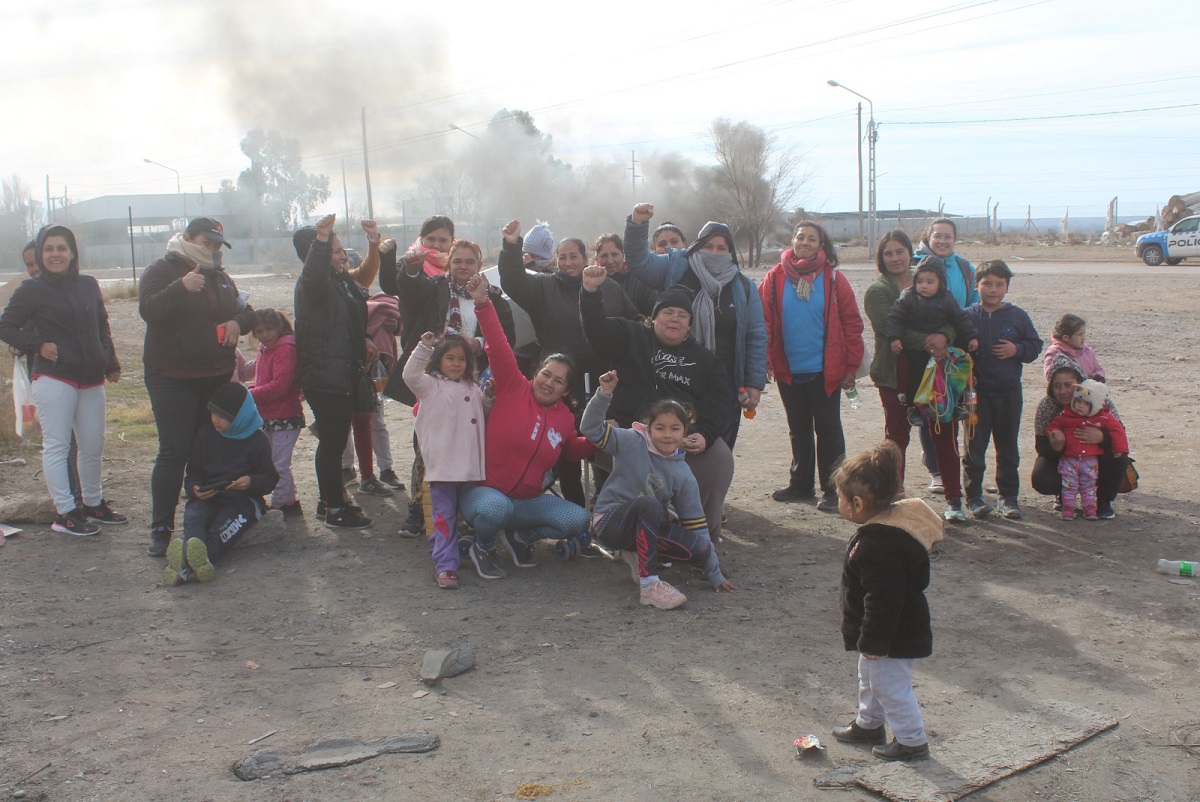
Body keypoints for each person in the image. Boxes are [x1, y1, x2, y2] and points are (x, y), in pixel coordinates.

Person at [458, 271, 595, 578]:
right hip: (483, 493)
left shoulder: (564, 417)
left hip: (524, 504)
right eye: (547, 374)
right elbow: (497, 341)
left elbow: (573, 451)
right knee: (495, 509)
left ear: (565, 390)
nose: (549, 383)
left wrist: (601, 435)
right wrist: (482, 301)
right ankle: (484, 545)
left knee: (577, 520)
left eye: (559, 381)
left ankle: (520, 538)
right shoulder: (512, 385)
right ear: (537, 371)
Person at [581, 273, 733, 543]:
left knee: (719, 456)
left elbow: (721, 401)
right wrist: (591, 292)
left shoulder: (705, 360)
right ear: (654, 317)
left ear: (689, 325)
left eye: (682, 315)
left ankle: (703, 537)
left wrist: (706, 433)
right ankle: (642, 534)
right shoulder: (631, 335)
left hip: (678, 437)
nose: (674, 318)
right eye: (667, 312)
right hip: (632, 434)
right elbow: (597, 330)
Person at [380, 235, 516, 537]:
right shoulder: (435, 287)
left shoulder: (492, 296)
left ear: (480, 265)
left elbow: (508, 337)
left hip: (475, 381)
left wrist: (478, 343)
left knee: (471, 443)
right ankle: (419, 509)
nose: (463, 267)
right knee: (427, 443)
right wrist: (412, 270)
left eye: (470, 262)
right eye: (457, 261)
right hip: (435, 380)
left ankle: (463, 510)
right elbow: (409, 289)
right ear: (448, 263)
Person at [498, 220, 637, 508]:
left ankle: (606, 501)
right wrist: (511, 246)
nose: (569, 262)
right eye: (562, 257)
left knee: (602, 438)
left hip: (602, 376)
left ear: (586, 260)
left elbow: (631, 322)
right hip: (560, 380)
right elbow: (512, 280)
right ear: (555, 261)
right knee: (565, 442)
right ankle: (573, 506)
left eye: (574, 256)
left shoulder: (608, 287)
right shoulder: (543, 286)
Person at [139, 216, 255, 555]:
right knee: (175, 450)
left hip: (215, 375)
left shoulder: (220, 277)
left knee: (209, 450)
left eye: (218, 245)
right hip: (171, 377)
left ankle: (207, 517)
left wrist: (237, 320)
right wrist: (180, 287)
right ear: (187, 238)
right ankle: (161, 526)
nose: (214, 250)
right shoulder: (161, 270)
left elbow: (247, 313)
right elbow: (148, 309)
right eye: (208, 243)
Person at [0, 224, 124, 536]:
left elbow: (101, 325)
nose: (56, 254)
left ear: (72, 253)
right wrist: (36, 344)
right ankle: (66, 513)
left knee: (93, 444)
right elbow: (6, 325)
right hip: (54, 377)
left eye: (62, 248)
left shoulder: (88, 284)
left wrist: (110, 362)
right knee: (57, 444)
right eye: (49, 249)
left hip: (91, 378)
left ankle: (93, 504)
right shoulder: (31, 290)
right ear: (40, 255)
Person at [582, 371, 736, 610]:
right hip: (610, 521)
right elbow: (590, 429)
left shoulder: (683, 474)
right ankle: (650, 585)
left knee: (699, 548)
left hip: (645, 526)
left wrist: (715, 574)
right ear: (648, 427)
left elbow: (697, 526)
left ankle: (636, 555)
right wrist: (604, 393)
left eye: (674, 429)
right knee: (650, 504)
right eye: (660, 428)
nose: (666, 435)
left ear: (684, 431)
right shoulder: (631, 440)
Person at [831, 441, 942, 762]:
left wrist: (875, 641)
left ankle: (911, 741)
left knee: (890, 687)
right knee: (870, 678)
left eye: (840, 498)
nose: (839, 503)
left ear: (857, 503)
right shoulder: (886, 530)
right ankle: (869, 724)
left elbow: (883, 600)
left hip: (892, 637)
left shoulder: (878, 545)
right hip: (887, 634)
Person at [624, 203, 767, 449]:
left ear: (731, 252)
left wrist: (754, 384)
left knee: (716, 443)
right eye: (708, 246)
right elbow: (639, 263)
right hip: (675, 373)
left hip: (725, 380)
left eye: (722, 248)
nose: (714, 252)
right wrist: (638, 224)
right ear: (697, 246)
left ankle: (708, 488)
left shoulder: (743, 286)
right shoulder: (676, 266)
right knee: (671, 443)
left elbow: (755, 336)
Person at [761, 220, 863, 510]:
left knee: (829, 428)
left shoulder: (833, 278)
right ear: (792, 241)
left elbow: (852, 323)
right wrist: (765, 358)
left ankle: (834, 491)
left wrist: (851, 366)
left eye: (812, 239)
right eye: (800, 237)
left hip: (825, 369)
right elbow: (764, 320)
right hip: (789, 369)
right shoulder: (775, 276)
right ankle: (801, 485)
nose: (805, 242)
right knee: (798, 428)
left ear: (822, 245)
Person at [293, 213, 373, 529]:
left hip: (342, 371)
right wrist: (322, 240)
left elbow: (351, 316)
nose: (342, 255)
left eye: (340, 249)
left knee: (334, 441)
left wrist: (364, 340)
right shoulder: (314, 283)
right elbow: (313, 276)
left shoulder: (338, 280)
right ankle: (335, 509)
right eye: (335, 250)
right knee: (332, 443)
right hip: (325, 376)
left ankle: (329, 502)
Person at [165, 382, 279, 584]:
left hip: (243, 501)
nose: (215, 420)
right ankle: (193, 559)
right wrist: (195, 490)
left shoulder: (257, 440)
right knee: (193, 518)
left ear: (239, 417)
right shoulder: (206, 434)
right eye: (212, 413)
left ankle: (186, 565)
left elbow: (270, 479)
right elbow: (193, 473)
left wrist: (250, 481)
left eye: (222, 416)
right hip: (209, 497)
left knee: (222, 530)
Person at [402, 325, 487, 590]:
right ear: (439, 359)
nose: (456, 363)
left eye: (462, 359)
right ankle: (446, 565)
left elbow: (485, 412)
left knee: (469, 516)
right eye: (450, 358)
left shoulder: (473, 388)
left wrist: (491, 397)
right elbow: (410, 375)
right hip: (443, 467)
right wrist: (423, 348)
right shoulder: (430, 386)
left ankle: (473, 552)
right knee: (444, 517)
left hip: (471, 466)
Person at [962, 260, 1042, 520]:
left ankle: (1008, 497)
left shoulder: (1017, 316)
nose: (993, 289)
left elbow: (1035, 345)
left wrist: (1016, 350)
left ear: (1007, 288)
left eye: (999, 284)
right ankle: (973, 496)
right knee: (974, 447)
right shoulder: (967, 317)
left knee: (1007, 447)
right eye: (987, 283)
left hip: (1008, 393)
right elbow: (952, 350)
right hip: (975, 396)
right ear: (976, 285)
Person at [10, 238, 83, 509]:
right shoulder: (29, 292)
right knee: (58, 438)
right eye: (29, 264)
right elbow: (14, 327)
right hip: (45, 373)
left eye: (35, 263)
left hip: (73, 373)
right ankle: (68, 499)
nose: (33, 269)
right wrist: (24, 345)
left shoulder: (73, 288)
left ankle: (77, 493)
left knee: (73, 438)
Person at [911, 219, 979, 492]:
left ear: (955, 239)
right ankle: (937, 469)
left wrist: (960, 336)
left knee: (961, 407)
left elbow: (972, 302)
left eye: (947, 236)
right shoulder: (915, 264)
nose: (942, 241)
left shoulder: (964, 267)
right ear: (928, 237)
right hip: (926, 349)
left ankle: (961, 468)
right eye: (937, 236)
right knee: (933, 406)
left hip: (958, 350)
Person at [1032, 357, 1129, 519]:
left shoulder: (1100, 401)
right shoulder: (1048, 406)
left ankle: (1104, 500)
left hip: (1095, 457)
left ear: (1080, 384)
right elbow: (1041, 445)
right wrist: (1058, 446)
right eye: (1057, 386)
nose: (1062, 391)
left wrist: (1102, 437)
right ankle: (1063, 494)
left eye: (1068, 385)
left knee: (1119, 458)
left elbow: (1120, 433)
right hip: (1065, 459)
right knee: (1042, 478)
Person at [863, 230, 924, 484]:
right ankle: (894, 490)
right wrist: (931, 339)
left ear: (910, 253)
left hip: (931, 369)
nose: (895, 258)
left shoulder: (929, 281)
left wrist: (943, 334)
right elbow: (891, 329)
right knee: (897, 435)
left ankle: (952, 495)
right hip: (895, 370)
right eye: (888, 253)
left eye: (900, 251)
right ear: (881, 258)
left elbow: (950, 315)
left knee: (940, 431)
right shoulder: (877, 291)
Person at [885, 254, 979, 418]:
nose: (924, 286)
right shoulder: (908, 296)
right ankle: (914, 408)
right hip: (917, 347)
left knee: (950, 374)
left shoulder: (947, 298)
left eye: (930, 282)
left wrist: (971, 336)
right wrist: (895, 338)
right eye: (920, 281)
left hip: (942, 347)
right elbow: (895, 317)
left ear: (940, 283)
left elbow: (959, 317)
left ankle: (956, 404)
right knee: (916, 375)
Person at [247, 308, 304, 517]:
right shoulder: (265, 349)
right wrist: (252, 389)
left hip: (285, 416)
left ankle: (277, 506)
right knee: (277, 462)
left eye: (268, 329)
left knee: (279, 465)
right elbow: (265, 382)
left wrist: (249, 395)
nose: (264, 335)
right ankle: (289, 502)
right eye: (259, 331)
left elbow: (280, 385)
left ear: (278, 327)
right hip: (270, 416)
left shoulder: (285, 349)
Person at [593, 233, 658, 318]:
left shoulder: (639, 280)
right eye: (604, 256)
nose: (610, 261)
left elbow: (653, 314)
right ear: (597, 259)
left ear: (623, 255)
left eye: (614, 254)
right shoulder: (590, 284)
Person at [1043, 313, 1105, 382]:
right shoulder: (1055, 353)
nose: (1083, 337)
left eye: (1084, 333)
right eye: (1079, 334)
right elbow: (1050, 375)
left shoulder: (1087, 352)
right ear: (1066, 338)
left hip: (1089, 390)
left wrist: (1097, 377)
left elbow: (1098, 369)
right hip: (1066, 391)